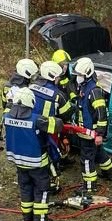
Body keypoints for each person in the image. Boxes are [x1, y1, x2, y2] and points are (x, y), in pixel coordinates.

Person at [4, 87, 62, 221]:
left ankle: (27, 216)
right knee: (41, 190)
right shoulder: (36, 120)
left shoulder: (6, 117)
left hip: (19, 162)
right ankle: (41, 220)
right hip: (37, 163)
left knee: (25, 188)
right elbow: (57, 126)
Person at [30, 60, 74, 191]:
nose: (59, 79)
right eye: (58, 77)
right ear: (52, 77)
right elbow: (66, 115)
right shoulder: (58, 95)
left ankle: (35, 178)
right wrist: (74, 107)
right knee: (50, 154)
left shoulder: (30, 87)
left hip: (31, 126)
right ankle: (51, 182)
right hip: (49, 130)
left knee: (34, 153)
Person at [74, 57, 112, 195]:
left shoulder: (94, 91)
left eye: (80, 75)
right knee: (99, 153)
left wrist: (99, 134)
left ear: (87, 73)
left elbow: (102, 115)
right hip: (85, 131)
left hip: (90, 133)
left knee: (86, 159)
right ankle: (109, 173)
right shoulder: (84, 87)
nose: (78, 77)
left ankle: (89, 186)